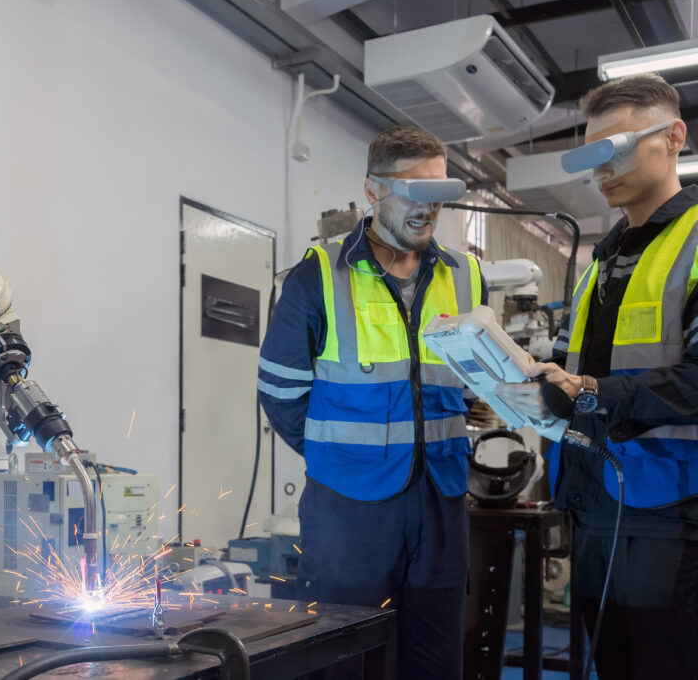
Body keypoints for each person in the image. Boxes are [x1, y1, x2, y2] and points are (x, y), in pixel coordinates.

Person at [258, 124, 486, 680]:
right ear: (373, 190)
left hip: (442, 500)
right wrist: (341, 453)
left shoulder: (466, 274)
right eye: (414, 191)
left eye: (439, 193)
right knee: (346, 661)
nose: (428, 209)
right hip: (348, 509)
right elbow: (281, 394)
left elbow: (471, 379)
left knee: (436, 663)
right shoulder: (318, 274)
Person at [500, 73, 698, 679]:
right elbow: (571, 372)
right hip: (593, 503)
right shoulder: (602, 261)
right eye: (592, 155)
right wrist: (529, 387)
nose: (602, 168)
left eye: (616, 147)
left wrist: (591, 392)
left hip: (669, 509)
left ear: (674, 137)